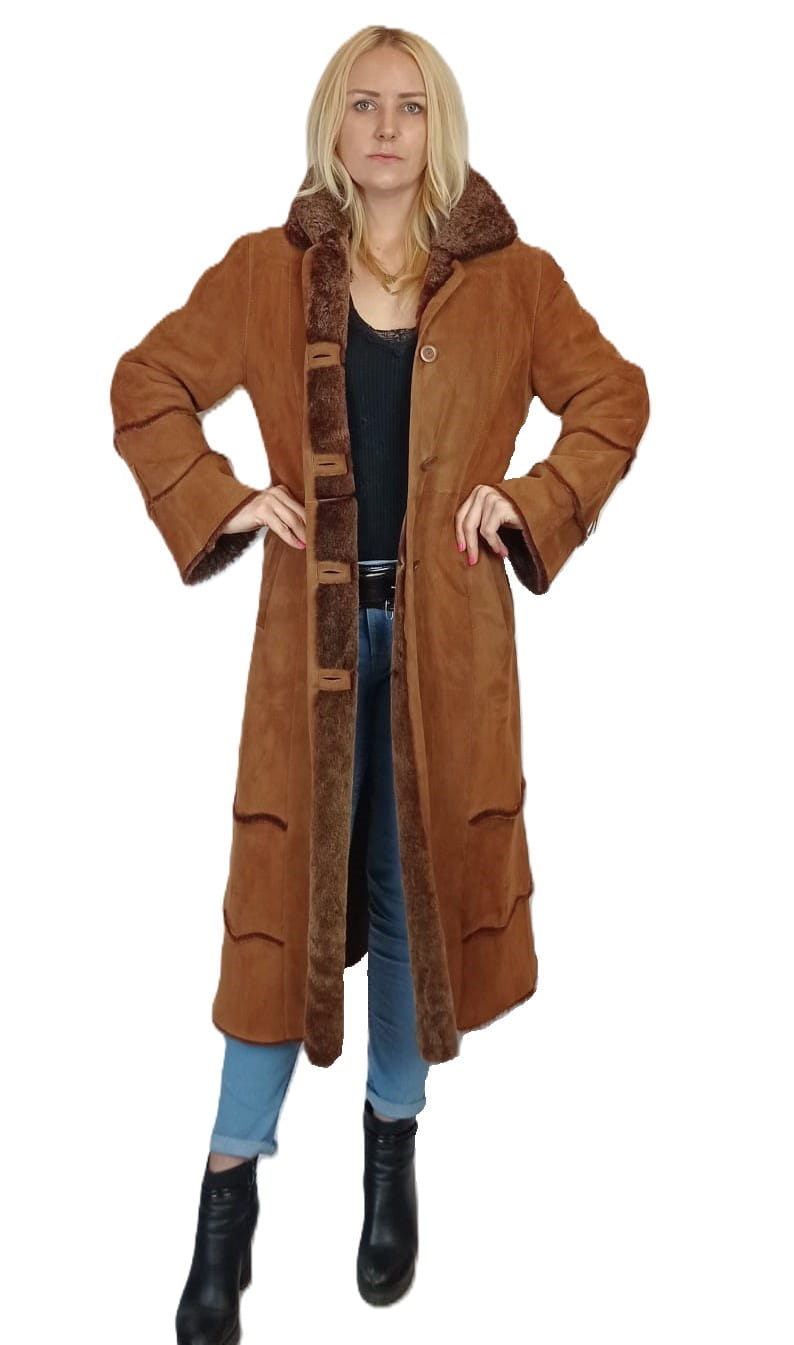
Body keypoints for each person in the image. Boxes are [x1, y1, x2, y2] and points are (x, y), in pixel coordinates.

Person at [110, 23, 650, 1340]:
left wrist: (525, 499)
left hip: (445, 657)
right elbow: (147, 383)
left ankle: (390, 1150)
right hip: (306, 657)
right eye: (364, 104)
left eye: (410, 105)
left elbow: (615, 399)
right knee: (274, 916)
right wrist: (229, 501)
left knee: (416, 909)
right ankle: (225, 1197)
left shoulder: (515, 283)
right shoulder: (266, 272)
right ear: (332, 125)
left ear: (438, 125)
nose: (388, 128)